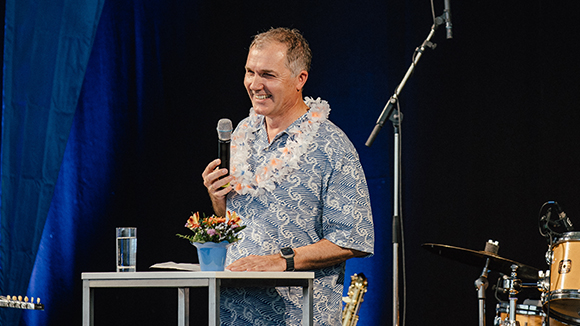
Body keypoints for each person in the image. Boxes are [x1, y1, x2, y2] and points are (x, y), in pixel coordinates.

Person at [202, 27, 374, 326]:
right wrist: (218, 199)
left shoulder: (331, 144)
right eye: (249, 72)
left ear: (300, 80)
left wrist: (281, 260)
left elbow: (353, 238)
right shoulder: (242, 132)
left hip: (300, 315)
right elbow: (231, 222)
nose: (255, 84)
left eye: (268, 75)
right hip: (232, 311)